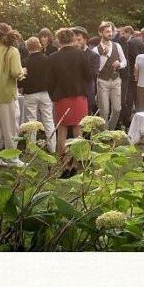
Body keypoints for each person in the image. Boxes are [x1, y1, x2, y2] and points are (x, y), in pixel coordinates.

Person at [49, 27, 94, 176]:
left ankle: (64, 166)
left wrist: (53, 95)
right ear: (72, 39)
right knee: (78, 130)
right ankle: (75, 164)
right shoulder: (82, 55)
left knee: (61, 130)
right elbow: (89, 76)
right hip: (79, 95)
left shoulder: (52, 57)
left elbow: (50, 81)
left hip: (61, 96)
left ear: (58, 40)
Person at [0, 23, 25, 169]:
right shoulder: (12, 51)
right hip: (7, 94)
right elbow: (16, 73)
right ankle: (13, 159)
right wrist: (23, 72)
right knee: (11, 129)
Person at [20, 37, 56, 153]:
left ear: (27, 47)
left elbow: (21, 79)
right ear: (39, 45)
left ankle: (31, 148)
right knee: (48, 120)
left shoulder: (25, 61)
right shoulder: (47, 59)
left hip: (30, 93)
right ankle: (52, 147)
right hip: (45, 92)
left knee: (31, 121)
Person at [95, 21, 128, 129]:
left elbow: (124, 62)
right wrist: (104, 56)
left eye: (111, 31)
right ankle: (104, 135)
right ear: (100, 33)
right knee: (104, 111)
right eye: (107, 31)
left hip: (116, 80)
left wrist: (120, 64)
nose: (110, 34)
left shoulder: (117, 46)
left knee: (117, 109)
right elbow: (97, 69)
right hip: (103, 81)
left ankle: (110, 130)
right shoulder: (96, 50)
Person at [71, 27, 99, 116]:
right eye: (73, 40)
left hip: (86, 94)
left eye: (79, 40)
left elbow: (92, 75)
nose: (75, 43)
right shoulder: (69, 55)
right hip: (71, 94)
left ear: (85, 40)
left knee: (84, 124)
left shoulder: (93, 56)